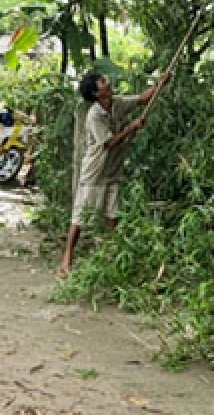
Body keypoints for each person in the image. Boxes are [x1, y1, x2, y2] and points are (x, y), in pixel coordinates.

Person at [60, 70, 171, 275]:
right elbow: (109, 143)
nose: (107, 82)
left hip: (113, 168)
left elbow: (142, 99)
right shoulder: (94, 115)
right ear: (96, 93)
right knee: (81, 215)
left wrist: (159, 84)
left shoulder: (117, 103)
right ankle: (67, 258)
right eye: (102, 81)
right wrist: (132, 127)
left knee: (113, 212)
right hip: (95, 170)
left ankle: (115, 254)